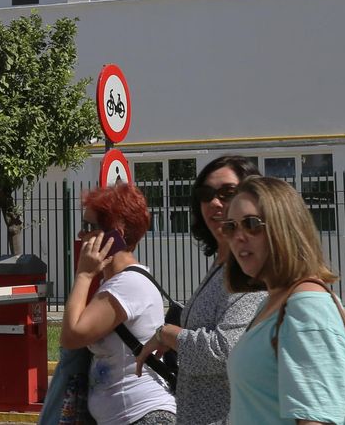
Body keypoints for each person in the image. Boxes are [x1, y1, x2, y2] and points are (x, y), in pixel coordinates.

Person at [136, 156, 267, 425]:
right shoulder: (222, 264)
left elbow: (223, 352)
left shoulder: (249, 271)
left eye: (227, 193)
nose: (215, 203)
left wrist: (168, 334)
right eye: (206, 194)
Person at [223, 176, 345, 425]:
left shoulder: (307, 306)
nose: (239, 236)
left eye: (251, 224)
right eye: (231, 227)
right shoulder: (272, 303)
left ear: (284, 229)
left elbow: (317, 420)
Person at [61, 183, 178, 425]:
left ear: (117, 234)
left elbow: (72, 336)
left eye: (88, 227)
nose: (81, 236)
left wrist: (83, 275)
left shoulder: (128, 285)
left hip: (144, 416)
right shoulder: (116, 283)